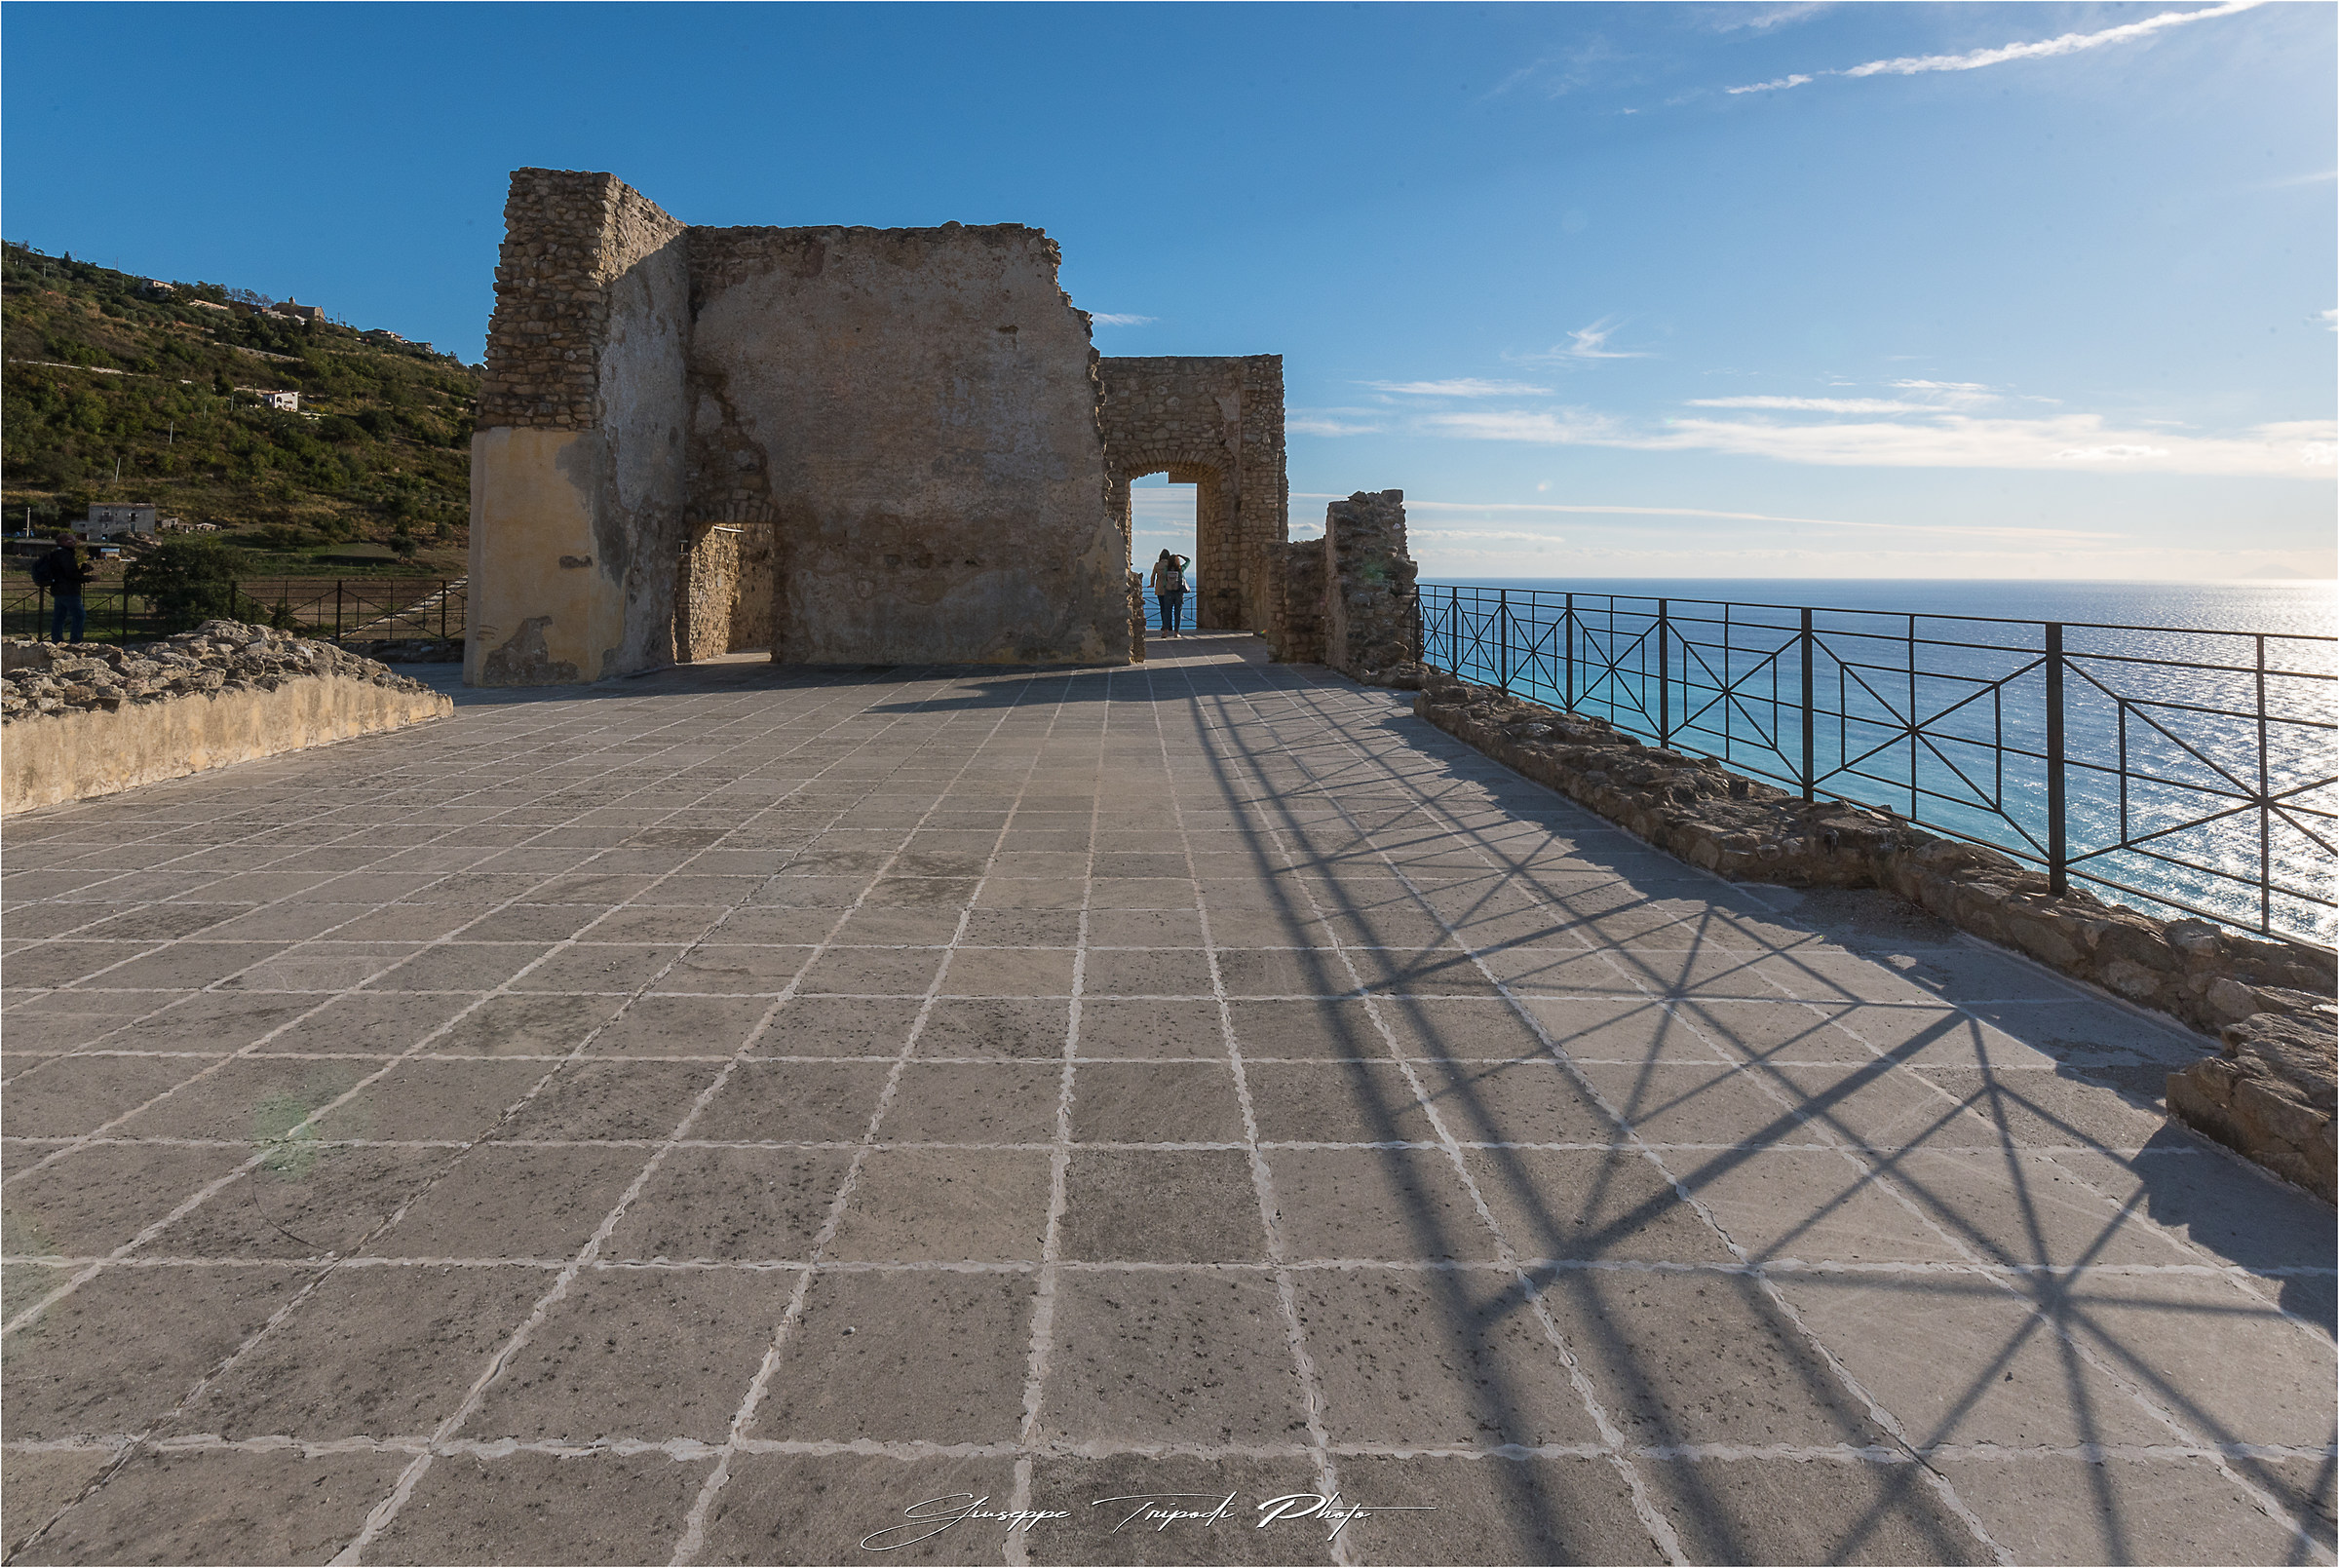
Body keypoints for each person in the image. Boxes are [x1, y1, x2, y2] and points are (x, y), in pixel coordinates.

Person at [31, 531, 94, 643]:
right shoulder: (65, 555)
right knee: (79, 615)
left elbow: (64, 572)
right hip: (69, 590)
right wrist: (89, 578)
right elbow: (70, 574)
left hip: (57, 589)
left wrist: (81, 571)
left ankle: (57, 641)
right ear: (64, 542)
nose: (75, 543)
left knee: (59, 617)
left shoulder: (55, 554)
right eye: (72, 541)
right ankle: (75, 641)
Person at [1149, 549, 1189, 636]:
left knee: (1164, 609)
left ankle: (1165, 628)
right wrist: (1180, 556)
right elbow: (1188, 561)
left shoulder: (1158, 565)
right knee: (1177, 612)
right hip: (1177, 592)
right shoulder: (1179, 568)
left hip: (1163, 590)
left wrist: (1152, 584)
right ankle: (1176, 631)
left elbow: (1153, 576)